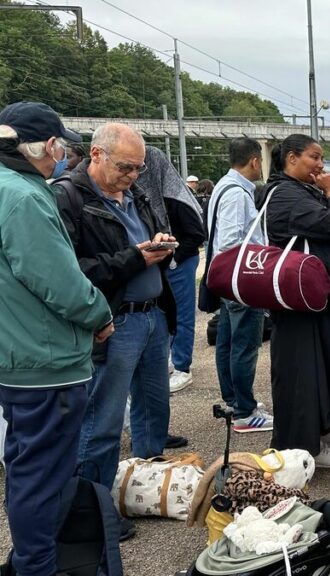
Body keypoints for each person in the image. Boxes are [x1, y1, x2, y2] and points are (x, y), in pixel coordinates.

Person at [54, 122, 186, 539]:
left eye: (138, 169)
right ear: (96, 155)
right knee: (103, 419)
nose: (133, 176)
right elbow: (70, 272)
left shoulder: (136, 194)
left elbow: (138, 248)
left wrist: (158, 245)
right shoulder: (68, 198)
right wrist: (134, 259)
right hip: (114, 320)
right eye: (126, 167)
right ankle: (92, 509)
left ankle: (144, 478)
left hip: (150, 315)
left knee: (153, 402)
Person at [0, 102, 114, 576]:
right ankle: (37, 566)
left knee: (26, 468)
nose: (65, 154)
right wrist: (100, 314)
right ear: (49, 146)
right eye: (62, 145)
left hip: (16, 354)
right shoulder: (24, 197)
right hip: (44, 362)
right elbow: (59, 282)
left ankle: (32, 559)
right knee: (41, 477)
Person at [264, 134, 330, 468]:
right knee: (303, 372)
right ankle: (304, 445)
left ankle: (324, 427)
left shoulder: (303, 191)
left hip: (318, 297)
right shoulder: (284, 195)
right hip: (297, 302)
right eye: (314, 157)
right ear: (291, 158)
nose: (321, 165)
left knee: (326, 364)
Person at [208, 138, 274, 433]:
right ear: (254, 161)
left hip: (225, 279)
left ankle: (235, 401)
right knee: (244, 346)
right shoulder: (237, 194)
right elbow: (231, 241)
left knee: (227, 342)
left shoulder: (224, 186)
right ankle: (245, 412)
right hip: (241, 280)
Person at [137, 146, 206, 394]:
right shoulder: (139, 194)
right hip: (159, 265)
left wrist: (173, 256)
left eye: (141, 166)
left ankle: (182, 367)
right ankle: (170, 360)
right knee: (164, 315)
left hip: (180, 263)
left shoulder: (176, 196)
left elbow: (197, 233)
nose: (137, 172)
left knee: (182, 317)